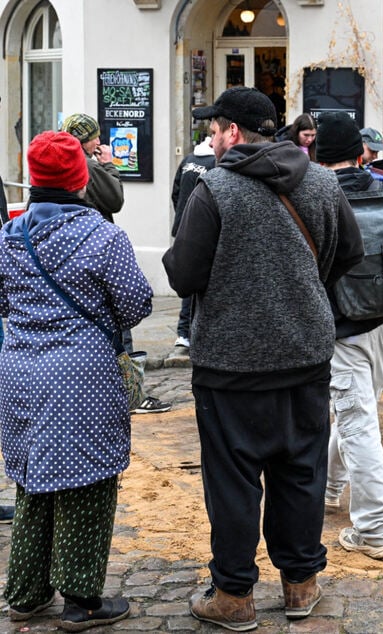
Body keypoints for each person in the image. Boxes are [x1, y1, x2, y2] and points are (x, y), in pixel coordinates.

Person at [163, 86, 364, 629]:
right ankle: (301, 585)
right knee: (301, 471)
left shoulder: (215, 190)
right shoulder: (321, 181)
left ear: (232, 132)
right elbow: (350, 251)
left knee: (232, 480)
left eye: (213, 129)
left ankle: (233, 595)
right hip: (303, 353)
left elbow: (182, 275)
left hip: (229, 365)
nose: (210, 137)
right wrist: (302, 288)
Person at [1, 131, 153, 630]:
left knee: (32, 480)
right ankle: (82, 600)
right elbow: (136, 304)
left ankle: (24, 592)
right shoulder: (103, 236)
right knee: (87, 483)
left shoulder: (8, 236)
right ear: (80, 177)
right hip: (81, 375)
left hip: (21, 371)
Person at [315, 112, 383, 561]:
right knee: (358, 414)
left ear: (317, 154)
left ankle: (377, 529)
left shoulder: (316, 198)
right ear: (359, 153)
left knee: (357, 422)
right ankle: (330, 489)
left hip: (341, 328)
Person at [62, 113, 171, 415]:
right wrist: (108, 163)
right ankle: (131, 396)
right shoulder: (87, 165)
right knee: (119, 332)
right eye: (95, 137)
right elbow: (114, 199)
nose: (100, 141)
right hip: (95, 256)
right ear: (85, 141)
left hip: (76, 259)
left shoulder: (68, 163)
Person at [170, 135, 216, 350]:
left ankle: (183, 332)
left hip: (182, 225)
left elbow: (176, 192)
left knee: (187, 277)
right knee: (197, 281)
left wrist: (182, 215)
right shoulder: (215, 163)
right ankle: (187, 331)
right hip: (202, 228)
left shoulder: (189, 159)